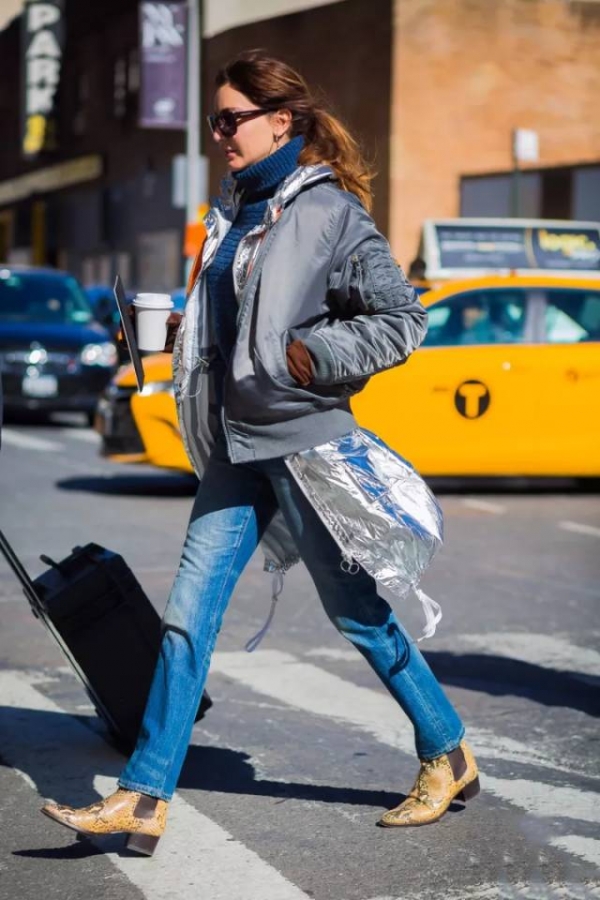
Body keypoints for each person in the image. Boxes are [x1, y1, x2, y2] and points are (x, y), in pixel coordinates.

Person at [41, 50, 479, 855]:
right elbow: (244, 321)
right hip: (236, 454)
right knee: (185, 622)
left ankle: (445, 750)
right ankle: (142, 798)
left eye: (230, 120)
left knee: (361, 620)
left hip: (304, 449)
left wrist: (312, 356)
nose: (220, 136)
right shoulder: (233, 210)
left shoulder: (329, 213)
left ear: (283, 120)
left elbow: (399, 320)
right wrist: (180, 332)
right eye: (215, 120)